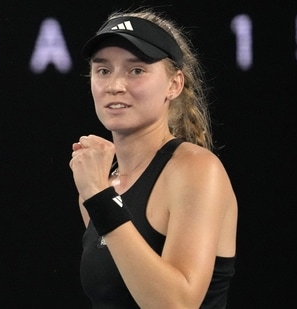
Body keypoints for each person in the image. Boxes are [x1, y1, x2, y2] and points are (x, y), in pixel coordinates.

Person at [69, 7, 238, 309]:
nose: (115, 86)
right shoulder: (101, 186)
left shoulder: (196, 169)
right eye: (103, 70)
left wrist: (99, 197)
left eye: (136, 70)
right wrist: (98, 195)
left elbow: (177, 304)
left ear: (174, 84)